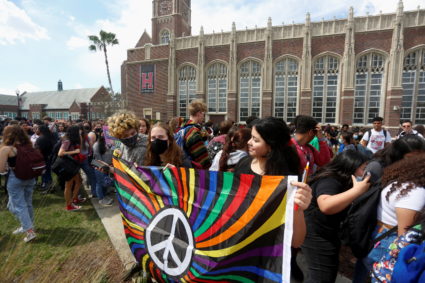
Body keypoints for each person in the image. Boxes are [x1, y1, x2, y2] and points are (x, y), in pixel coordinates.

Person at [234, 117, 312, 248]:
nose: (249, 142)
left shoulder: (287, 180)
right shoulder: (243, 164)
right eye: (251, 137)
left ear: (271, 146)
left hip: (267, 251)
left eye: (255, 140)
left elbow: (296, 242)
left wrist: (298, 210)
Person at [301, 150, 370, 282]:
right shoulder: (330, 180)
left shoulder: (339, 179)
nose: (364, 173)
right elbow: (326, 205)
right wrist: (356, 191)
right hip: (316, 235)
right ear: (350, 167)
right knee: (322, 276)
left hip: (325, 232)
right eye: (363, 169)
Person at [366, 153, 425, 278]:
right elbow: (404, 237)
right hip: (387, 243)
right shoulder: (416, 193)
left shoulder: (402, 182)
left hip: (377, 235)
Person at [0, 125, 37, 242]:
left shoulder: (6, 149)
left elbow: (1, 169)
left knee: (19, 206)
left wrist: (6, 168)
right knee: (26, 203)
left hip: (15, 178)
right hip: (30, 177)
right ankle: (28, 225)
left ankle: (29, 231)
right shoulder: (29, 144)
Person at [176, 100, 211, 169]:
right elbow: (202, 158)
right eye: (203, 114)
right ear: (199, 113)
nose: (203, 117)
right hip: (192, 171)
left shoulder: (182, 129)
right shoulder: (192, 132)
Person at [58, 125, 85, 211]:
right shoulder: (67, 141)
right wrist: (74, 151)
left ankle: (74, 198)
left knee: (79, 181)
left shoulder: (73, 140)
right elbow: (60, 153)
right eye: (78, 131)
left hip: (73, 164)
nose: (80, 132)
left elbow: (80, 148)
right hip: (68, 165)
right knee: (68, 185)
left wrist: (80, 138)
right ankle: (69, 205)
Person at [92, 131, 114, 206]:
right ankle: (101, 199)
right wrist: (105, 166)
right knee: (100, 183)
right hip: (99, 166)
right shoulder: (96, 145)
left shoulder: (110, 143)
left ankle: (104, 196)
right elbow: (97, 159)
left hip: (108, 166)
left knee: (105, 182)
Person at [35, 125, 55, 191]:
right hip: (48, 157)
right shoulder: (49, 137)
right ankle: (48, 185)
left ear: (41, 130)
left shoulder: (41, 139)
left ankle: (46, 186)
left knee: (45, 173)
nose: (36, 130)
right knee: (47, 172)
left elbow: (38, 151)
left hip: (43, 158)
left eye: (37, 129)